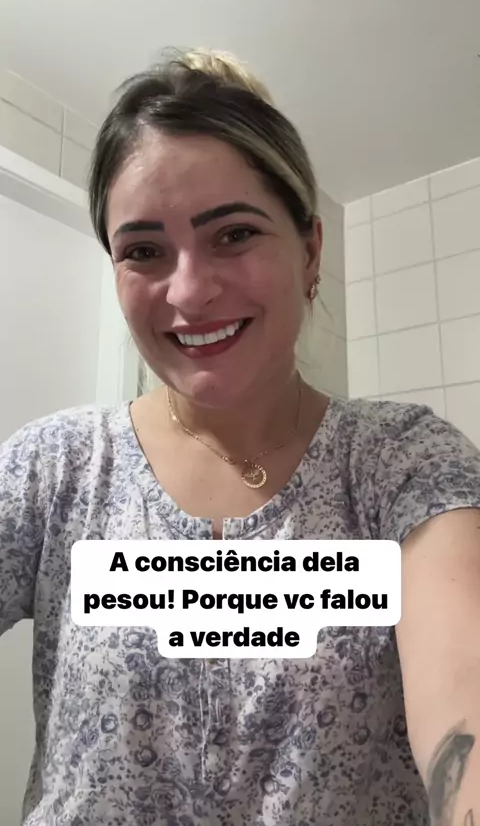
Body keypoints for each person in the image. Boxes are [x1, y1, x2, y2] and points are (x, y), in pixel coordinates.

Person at [1, 47, 480, 826]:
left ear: (311, 251)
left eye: (233, 234)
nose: (190, 292)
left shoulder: (402, 463)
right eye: (143, 251)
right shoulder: (53, 469)